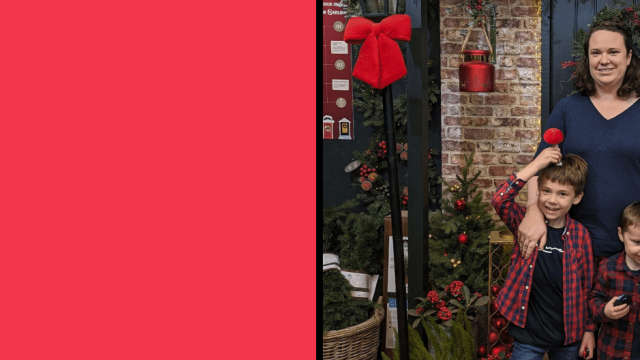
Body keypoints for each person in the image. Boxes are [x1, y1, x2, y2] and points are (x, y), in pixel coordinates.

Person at [517, 20, 640, 264]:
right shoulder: (568, 109)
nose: (604, 60)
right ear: (588, 59)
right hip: (571, 244)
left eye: (613, 52)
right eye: (596, 53)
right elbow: (539, 168)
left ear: (628, 57)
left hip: (633, 248)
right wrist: (532, 210)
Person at [491, 151, 595, 359]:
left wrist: (589, 330)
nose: (552, 200)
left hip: (567, 337)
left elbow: (586, 287)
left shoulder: (580, 235)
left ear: (577, 198)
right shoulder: (524, 223)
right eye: (546, 191)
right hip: (528, 336)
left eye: (562, 194)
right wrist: (536, 165)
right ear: (537, 191)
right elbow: (499, 199)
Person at [588, 201, 640, 360]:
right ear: (621, 235)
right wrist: (605, 311)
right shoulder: (608, 268)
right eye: (637, 242)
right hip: (613, 351)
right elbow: (593, 300)